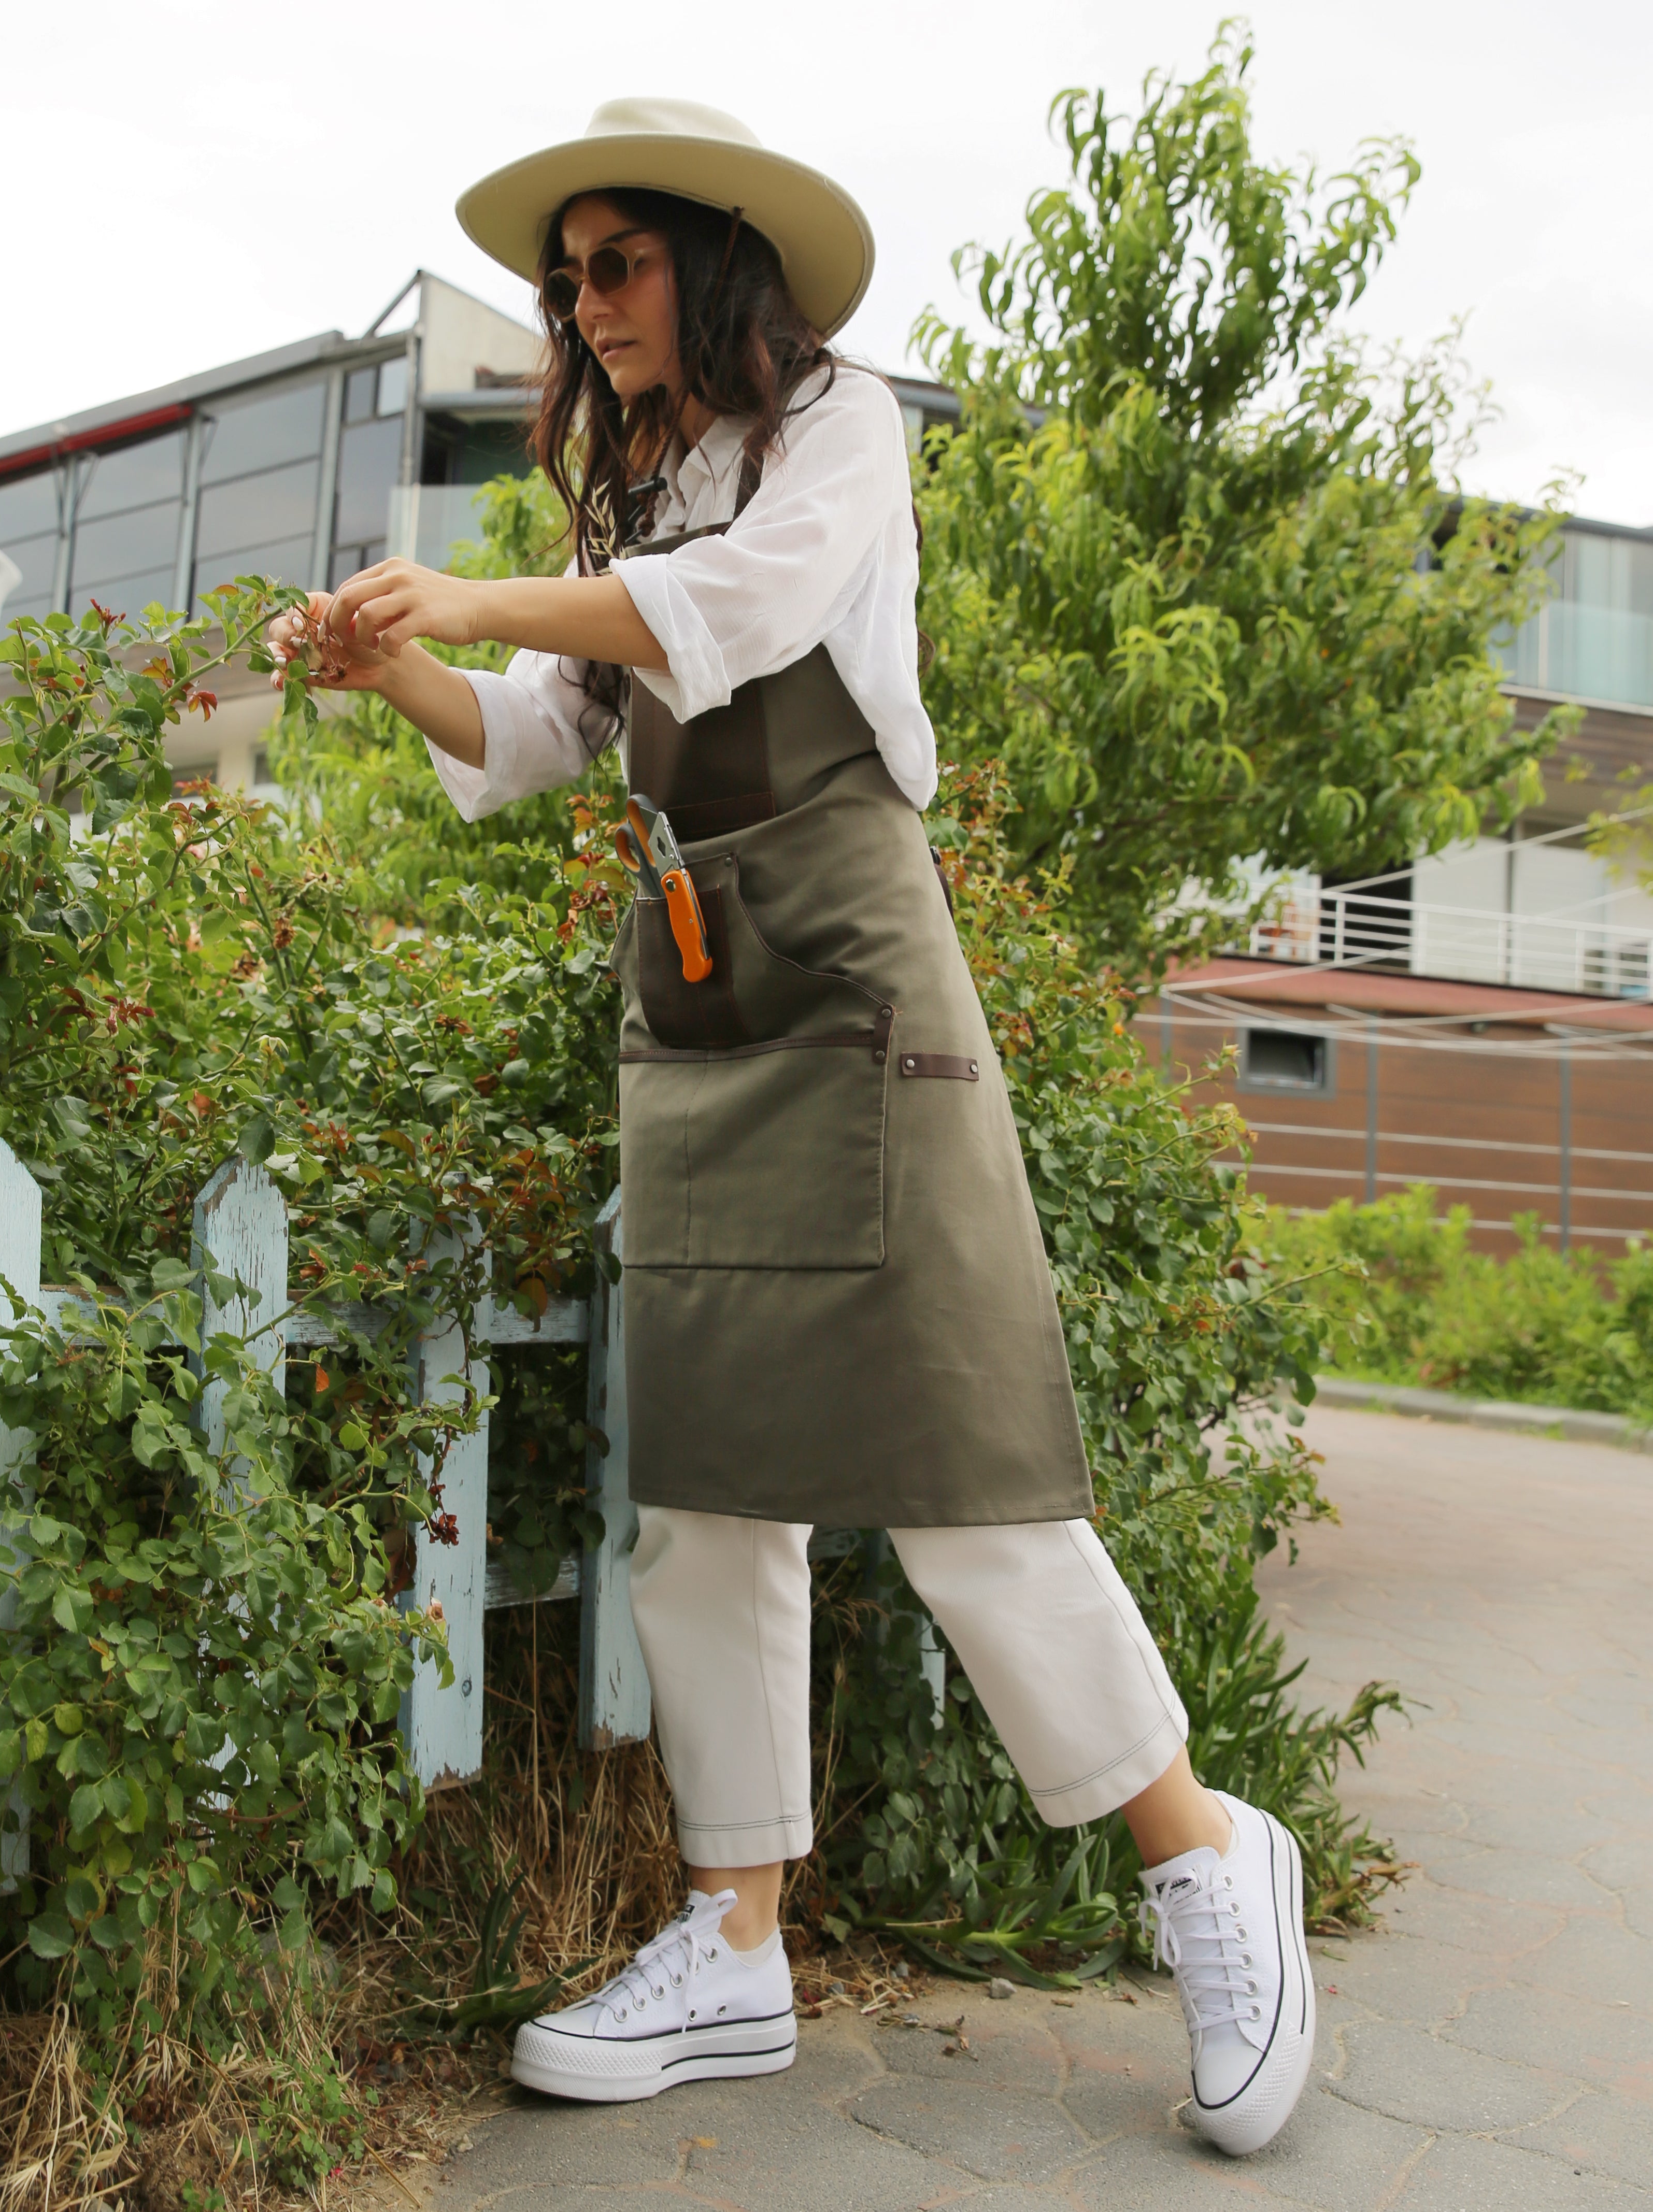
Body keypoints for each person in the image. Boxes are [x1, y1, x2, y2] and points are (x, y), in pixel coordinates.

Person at [268, 97, 1315, 2159]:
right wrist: (391, 661)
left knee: (961, 1464)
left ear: (713, 259)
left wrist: (472, 595)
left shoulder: (835, 433)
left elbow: (735, 610)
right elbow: (527, 747)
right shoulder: (620, 497)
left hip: (852, 967)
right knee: (707, 1491)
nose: (581, 307)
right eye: (564, 279)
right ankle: (732, 1938)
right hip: (699, 984)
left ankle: (1203, 1859)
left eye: (612, 263)